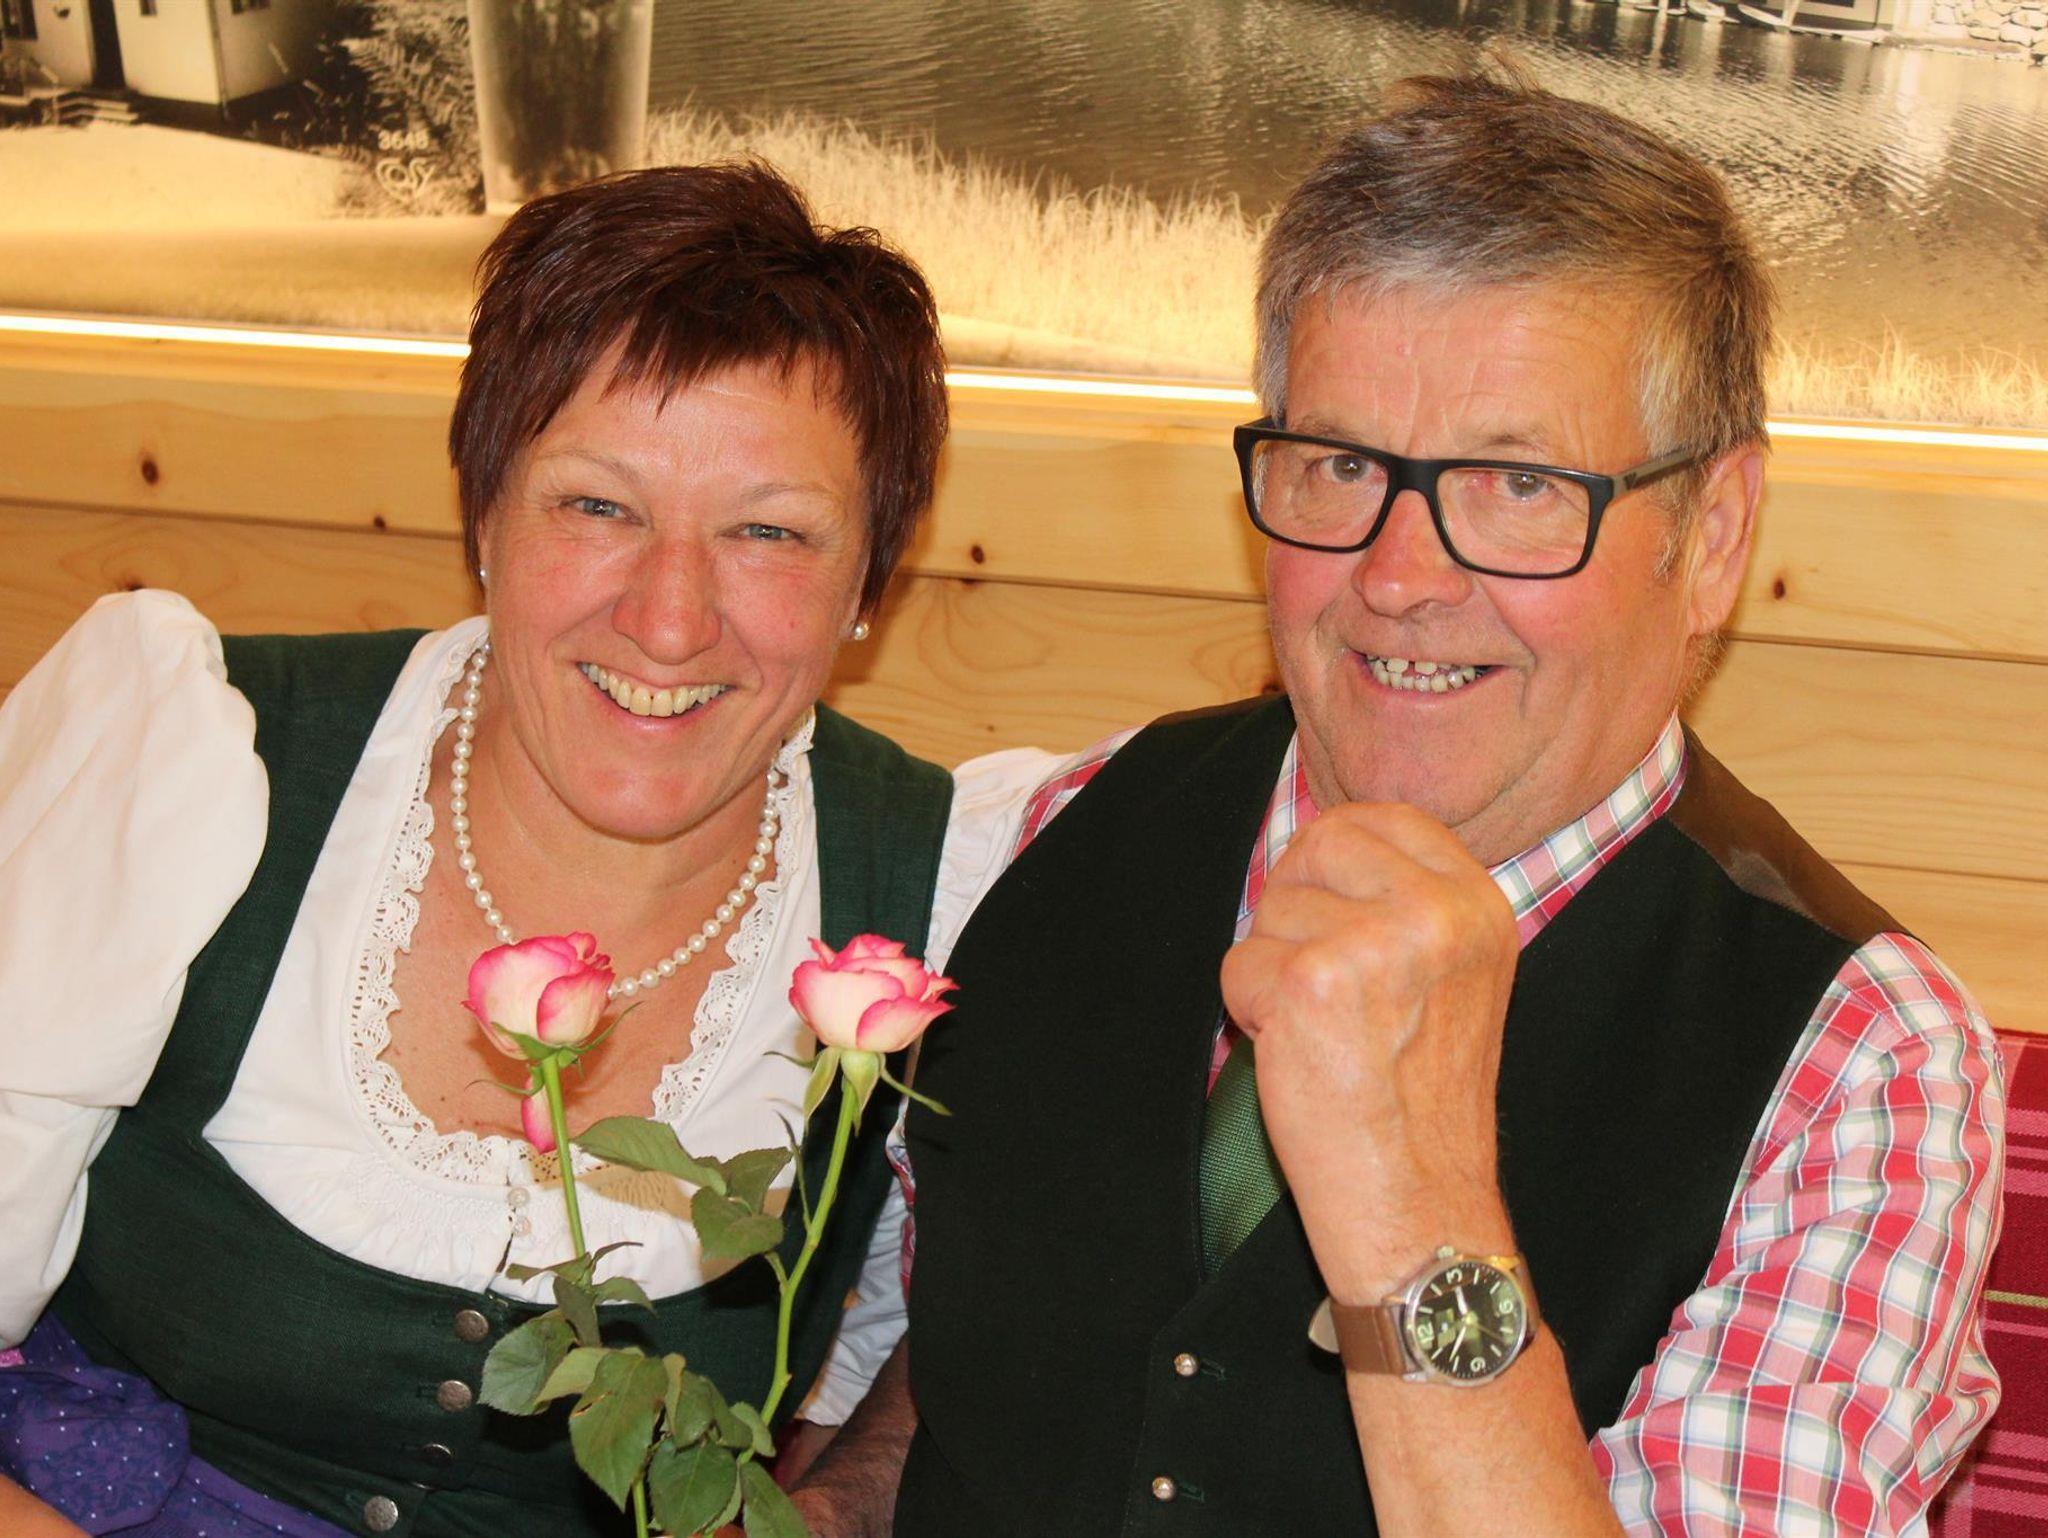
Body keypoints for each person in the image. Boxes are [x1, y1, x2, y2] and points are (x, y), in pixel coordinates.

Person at [863, 73, 2005, 1535]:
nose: (1401, 577)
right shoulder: (1074, 819)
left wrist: (1416, 1206)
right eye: (1342, 465)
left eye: (1518, 484)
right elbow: (953, 1367)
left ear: (1713, 539)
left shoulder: (1860, 1063)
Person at [0, 163, 1041, 1538]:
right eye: (598, 506)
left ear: (870, 584)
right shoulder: (194, 759)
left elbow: (937, 1376)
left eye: (768, 532)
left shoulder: (947, 896)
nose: (669, 618)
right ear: (483, 513)